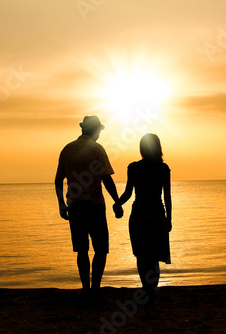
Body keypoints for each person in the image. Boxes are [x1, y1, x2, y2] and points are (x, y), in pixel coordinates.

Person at [55, 115, 123, 302]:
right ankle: (95, 289)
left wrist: (61, 204)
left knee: (82, 250)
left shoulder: (67, 149)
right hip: (94, 205)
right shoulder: (97, 149)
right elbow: (106, 178)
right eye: (99, 131)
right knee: (101, 249)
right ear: (95, 131)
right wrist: (117, 202)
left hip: (75, 206)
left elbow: (58, 179)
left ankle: (85, 289)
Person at [113, 133, 172, 302]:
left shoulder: (134, 167)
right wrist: (169, 218)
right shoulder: (163, 168)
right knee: (153, 255)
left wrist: (118, 203)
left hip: (139, 214)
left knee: (142, 254)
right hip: (156, 213)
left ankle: (146, 289)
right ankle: (152, 289)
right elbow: (167, 195)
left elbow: (128, 192)